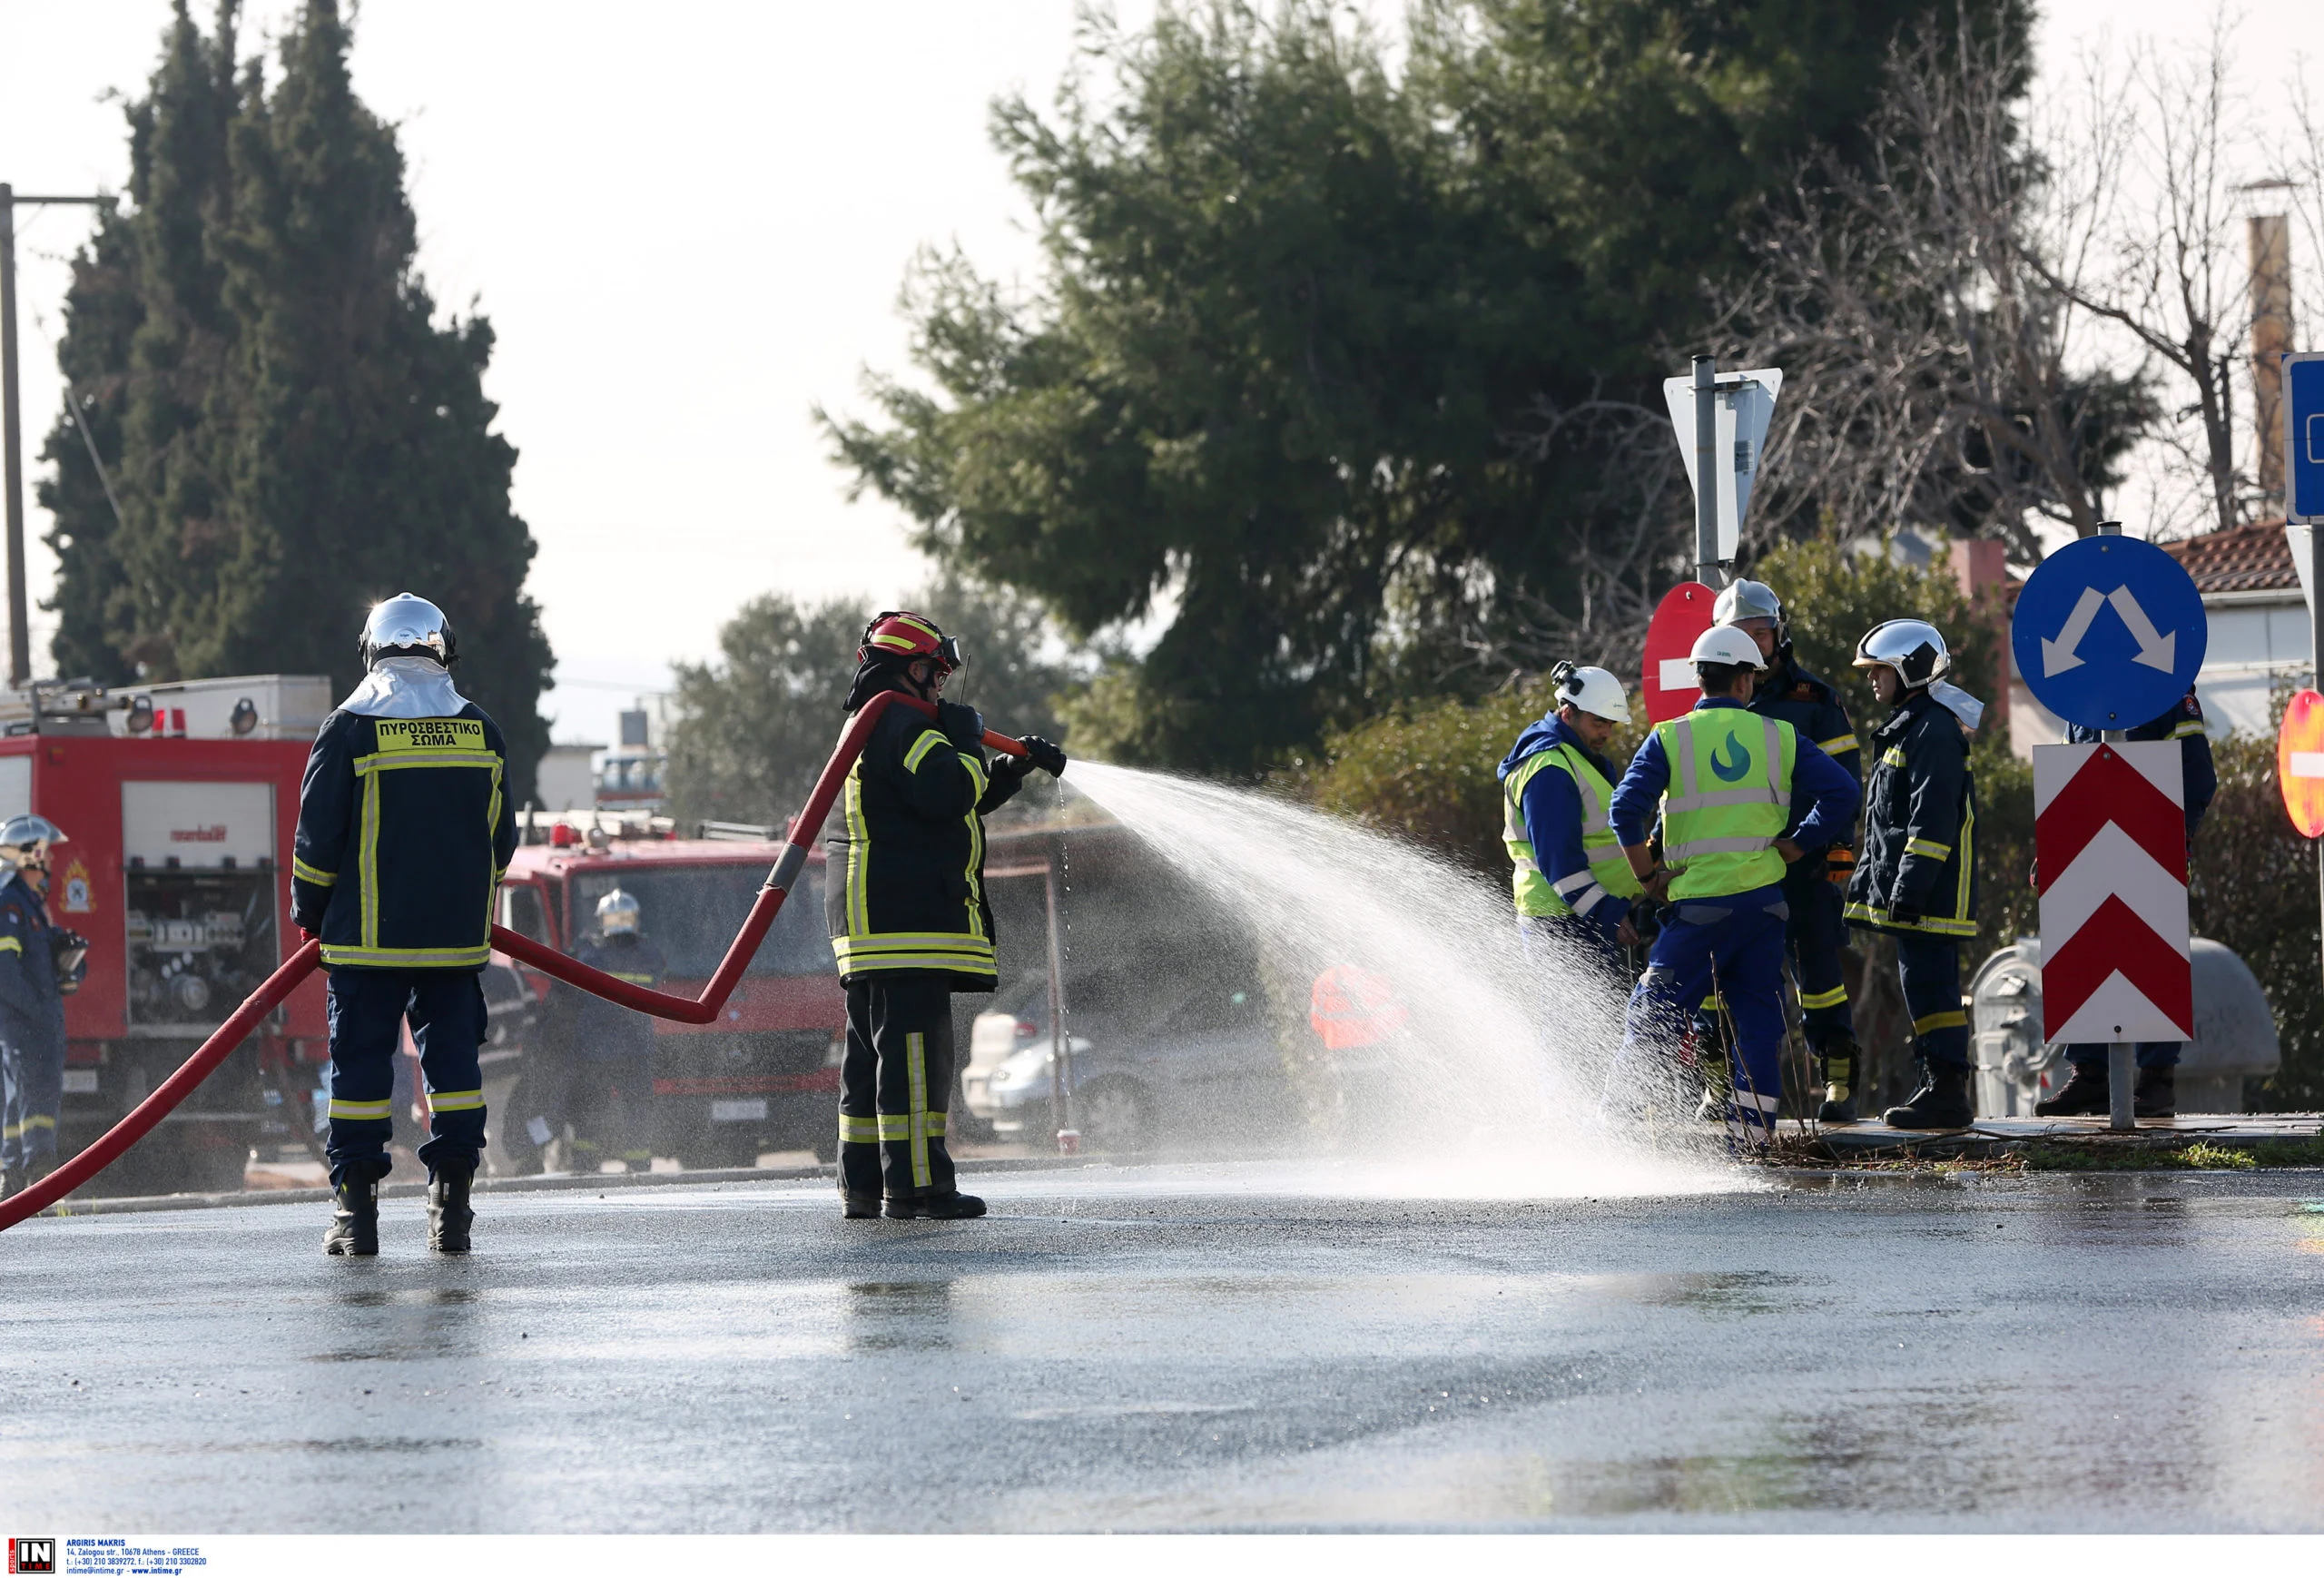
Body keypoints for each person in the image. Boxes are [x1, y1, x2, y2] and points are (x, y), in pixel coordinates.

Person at [293, 593, 517, 1256]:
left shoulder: (350, 726)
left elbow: (315, 843)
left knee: (360, 1079)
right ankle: (451, 1213)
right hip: (453, 950)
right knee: (453, 1076)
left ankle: (356, 1218)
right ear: (443, 648)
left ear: (371, 649)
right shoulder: (481, 729)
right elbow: (500, 846)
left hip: (364, 948)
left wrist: (312, 917)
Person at [825, 610, 1067, 1219]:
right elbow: (946, 789)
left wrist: (1007, 769)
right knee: (913, 1059)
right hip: (904, 920)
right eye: (936, 671)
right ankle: (918, 1186)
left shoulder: (879, 723)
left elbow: (952, 796)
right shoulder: (903, 723)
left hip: (873, 921)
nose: (941, 684)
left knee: (869, 1060)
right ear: (910, 667)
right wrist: (963, 739)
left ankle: (864, 1186)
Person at [1601, 626, 1861, 1144]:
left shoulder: (1670, 737)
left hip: (1698, 909)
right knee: (1760, 1024)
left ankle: (1615, 1128)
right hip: (1765, 907)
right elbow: (1843, 791)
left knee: (1652, 1015)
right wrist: (1798, 843)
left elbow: (1624, 811)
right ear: (1746, 681)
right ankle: (1755, 1136)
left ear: (1700, 679)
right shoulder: (1780, 737)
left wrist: (1648, 878)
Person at [1714, 580, 1866, 1121]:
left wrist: (1823, 847)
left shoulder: (1817, 701)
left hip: (1802, 864)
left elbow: (1846, 782)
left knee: (1820, 979)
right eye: (1739, 636)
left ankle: (1839, 1083)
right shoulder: (1714, 705)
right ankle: (1730, 1088)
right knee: (1733, 981)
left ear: (1780, 635)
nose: (1752, 646)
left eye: (1760, 633)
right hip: (1735, 869)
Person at [2037, 685, 2216, 1119]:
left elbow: (2198, 778)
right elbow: (2070, 780)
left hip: (2152, 851)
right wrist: (2052, 850)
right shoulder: (2078, 706)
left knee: (2153, 956)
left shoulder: (2167, 698)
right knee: (2083, 955)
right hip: (2086, 858)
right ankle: (2090, 1075)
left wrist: (2172, 838)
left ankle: (2157, 1080)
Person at [1843, 619, 1983, 1130]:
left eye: (1880, 670)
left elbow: (1931, 822)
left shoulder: (1934, 731)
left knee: (1933, 990)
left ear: (1910, 668)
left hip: (1931, 894)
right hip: (1917, 892)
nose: (1872, 681)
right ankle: (1938, 1085)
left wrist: (1908, 888)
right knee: (1922, 987)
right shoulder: (1912, 724)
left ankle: (1947, 1092)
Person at [1497, 664, 1642, 974]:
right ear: (1568, 713)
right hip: (1562, 922)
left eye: (1610, 724)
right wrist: (1607, 913)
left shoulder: (1575, 758)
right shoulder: (1549, 769)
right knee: (1568, 1022)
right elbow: (1559, 861)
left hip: (1578, 915)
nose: (1605, 732)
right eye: (1598, 722)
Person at [0, 817, 88, 1199]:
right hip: (25, 1027)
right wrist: (37, 1011)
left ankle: (23, 1178)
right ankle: (32, 1178)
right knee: (30, 1099)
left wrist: (71, 962)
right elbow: (5, 972)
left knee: (33, 1099)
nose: (51, 858)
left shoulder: (33, 905)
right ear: (30, 854)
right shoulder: (10, 906)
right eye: (45, 851)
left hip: (40, 1025)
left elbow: (52, 959)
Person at [565, 890, 668, 1171]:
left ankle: (585, 1164)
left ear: (603, 921)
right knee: (636, 1109)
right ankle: (638, 1164)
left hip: (597, 1050)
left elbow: (570, 989)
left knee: (592, 1108)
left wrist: (581, 946)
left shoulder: (591, 956)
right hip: (637, 1050)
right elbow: (658, 971)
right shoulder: (649, 955)